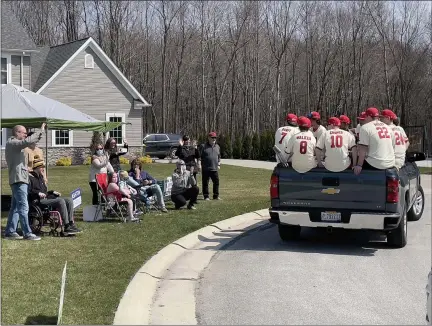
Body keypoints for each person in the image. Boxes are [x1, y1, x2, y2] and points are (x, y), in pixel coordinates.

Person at [4, 124, 45, 240]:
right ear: (17, 133)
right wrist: (40, 131)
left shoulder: (14, 145)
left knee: (16, 207)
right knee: (23, 207)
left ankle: (10, 231)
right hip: (19, 180)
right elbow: (26, 142)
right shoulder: (13, 143)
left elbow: (29, 142)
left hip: (20, 179)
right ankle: (27, 232)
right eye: (24, 133)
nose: (26, 135)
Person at [28, 156, 82, 234]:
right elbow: (29, 191)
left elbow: (44, 192)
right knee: (60, 201)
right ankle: (66, 226)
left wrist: (52, 192)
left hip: (45, 199)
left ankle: (71, 223)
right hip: (38, 201)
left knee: (69, 200)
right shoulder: (30, 178)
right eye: (42, 167)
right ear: (37, 167)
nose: (43, 169)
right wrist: (37, 193)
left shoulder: (41, 177)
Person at [354, 107, 395, 175]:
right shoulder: (388, 127)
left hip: (376, 164)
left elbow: (363, 150)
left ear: (368, 116)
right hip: (391, 162)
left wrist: (359, 165)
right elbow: (393, 145)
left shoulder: (365, 127)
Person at [199, 131, 221, 200]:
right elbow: (199, 156)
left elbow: (219, 156)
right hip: (206, 168)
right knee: (205, 183)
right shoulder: (203, 146)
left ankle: (216, 196)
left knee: (216, 182)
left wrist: (219, 163)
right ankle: (206, 196)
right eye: (212, 137)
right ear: (208, 138)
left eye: (215, 138)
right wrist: (199, 164)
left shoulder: (217, 146)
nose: (214, 139)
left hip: (214, 168)